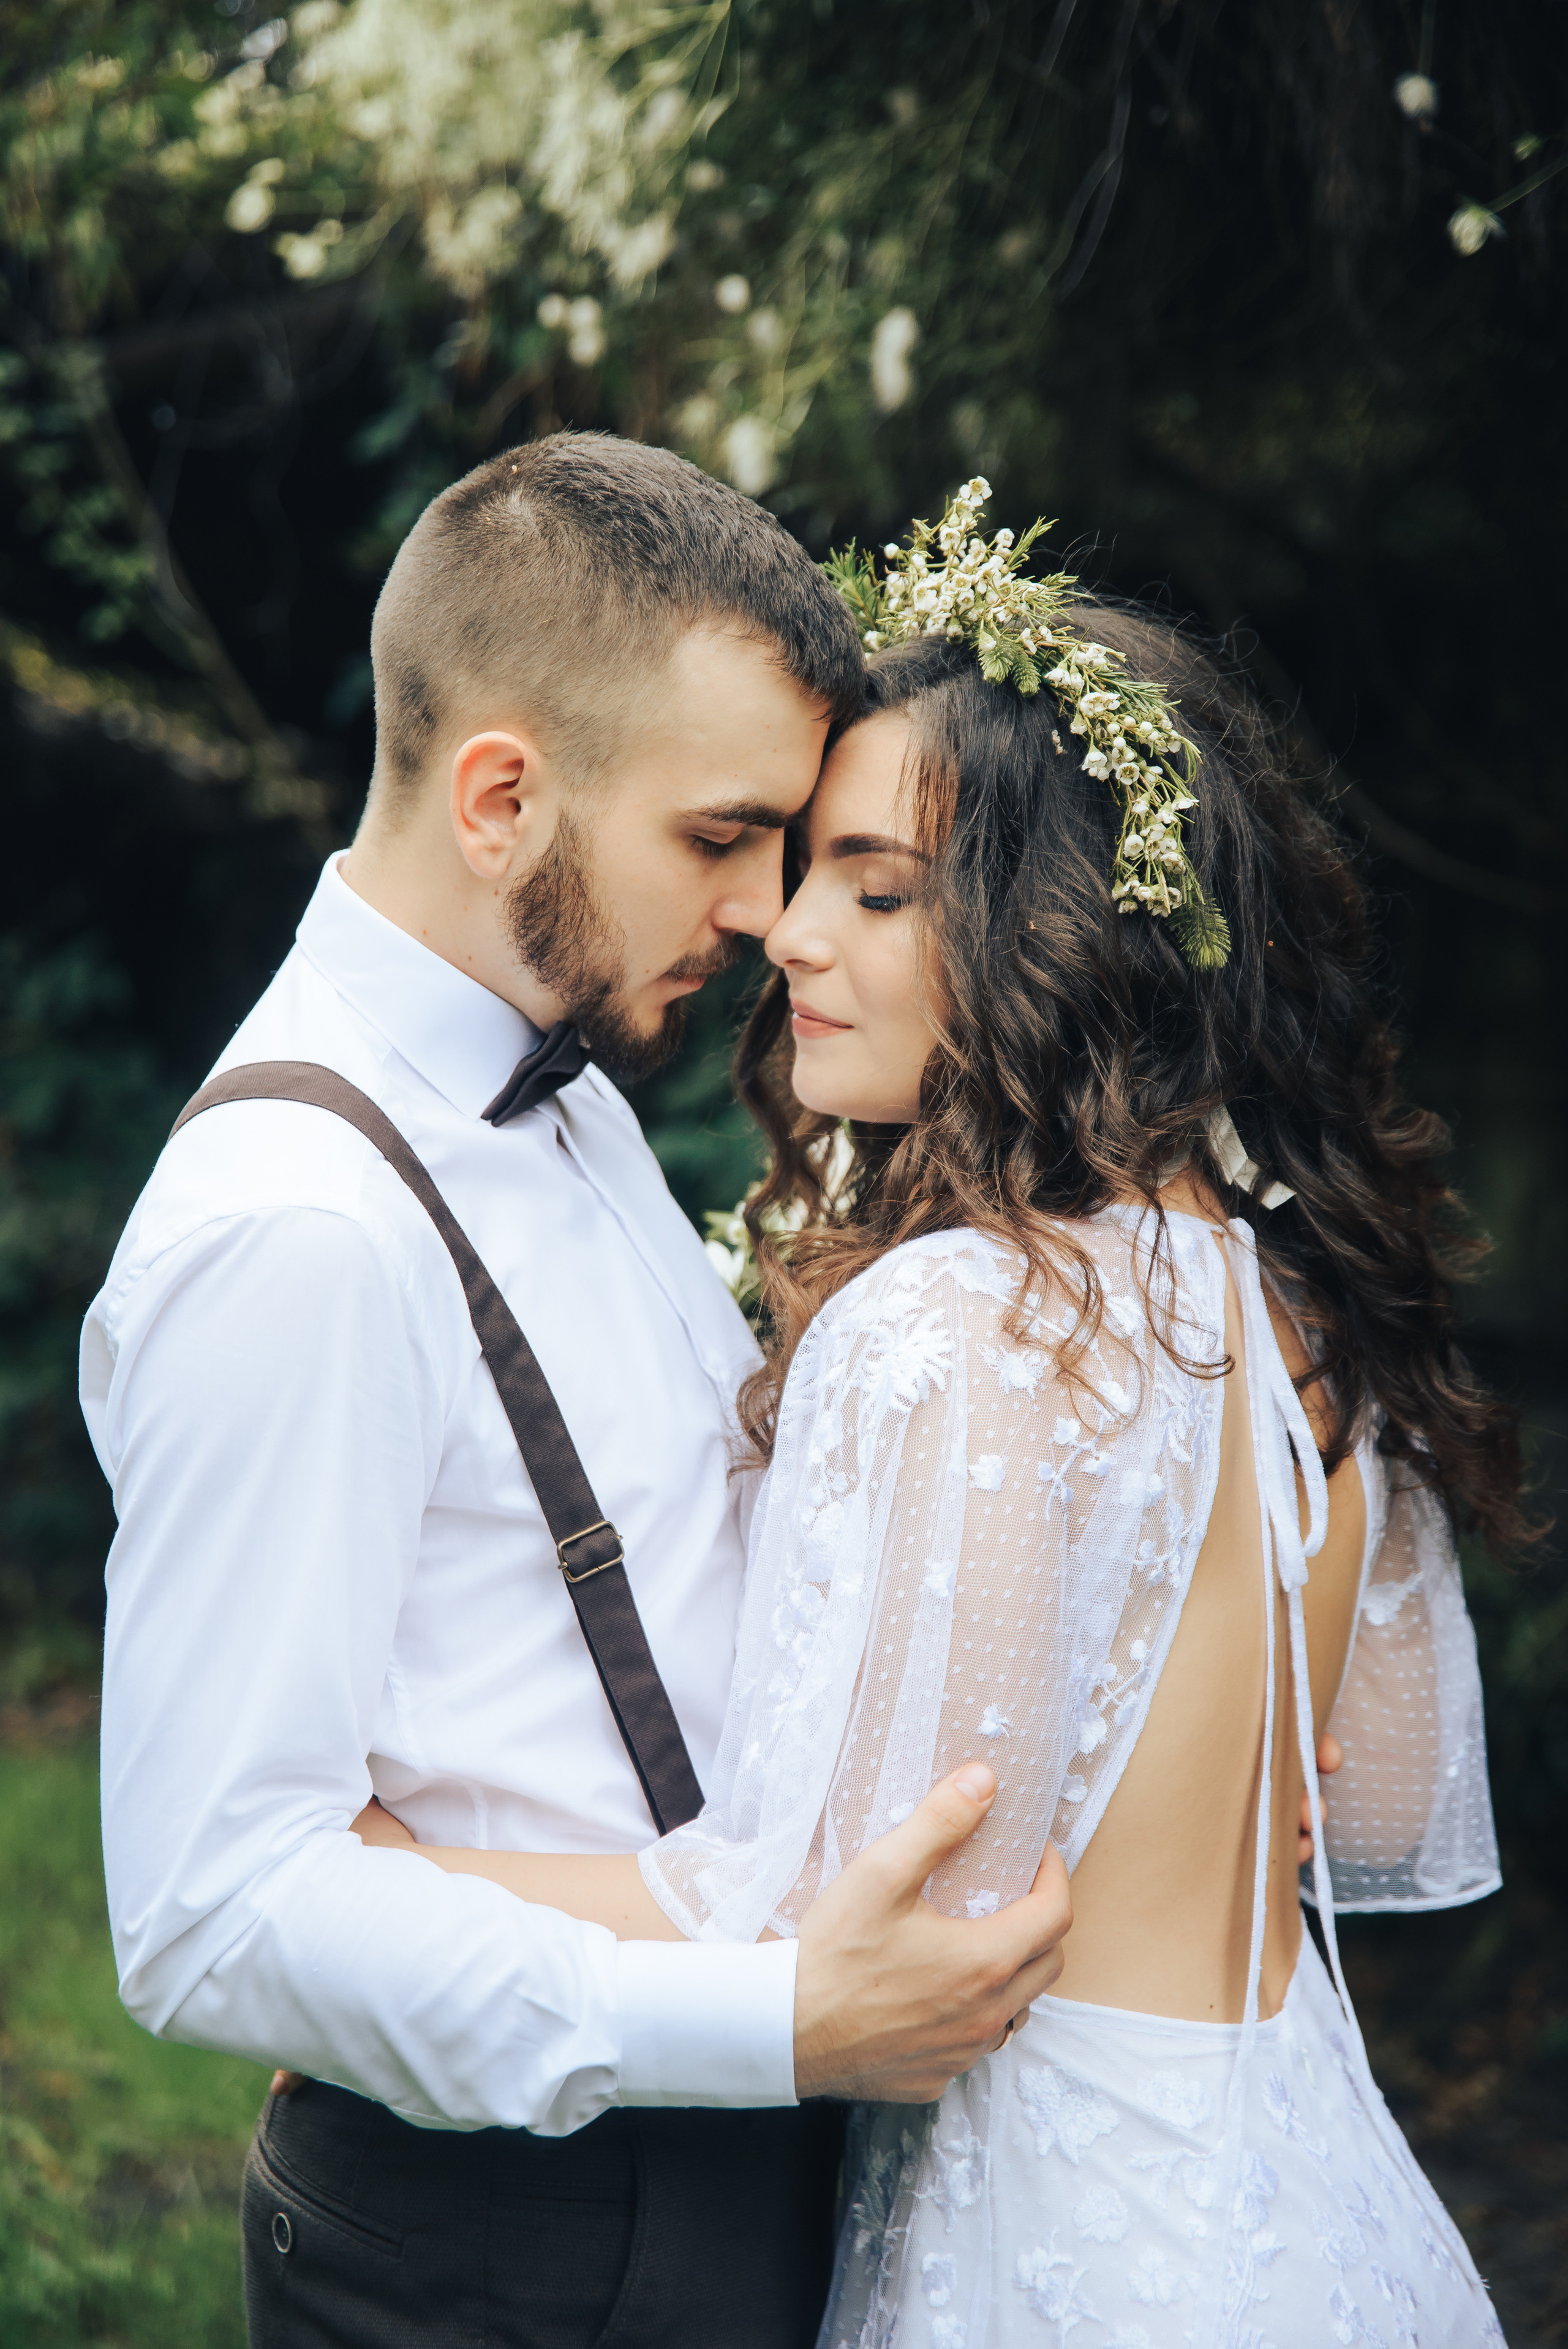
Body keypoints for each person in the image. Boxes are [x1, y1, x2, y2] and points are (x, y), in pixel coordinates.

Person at [361, 483, 1520, 2345]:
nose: (790, 934)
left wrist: (407, 1876)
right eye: (801, 869)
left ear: (1058, 930)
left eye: (879, 890)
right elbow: (1365, 1798)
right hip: (1318, 2210)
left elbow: (854, 1925)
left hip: (1061, 2247)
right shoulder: (1297, 1295)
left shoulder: (963, 1321)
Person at [82, 439, 1073, 2349]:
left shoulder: (575, 1084)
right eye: (722, 838)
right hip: (513, 2236)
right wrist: (772, 2015)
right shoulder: (300, 1228)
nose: (777, 913)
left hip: (726, 2163)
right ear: (503, 794)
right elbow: (212, 1908)